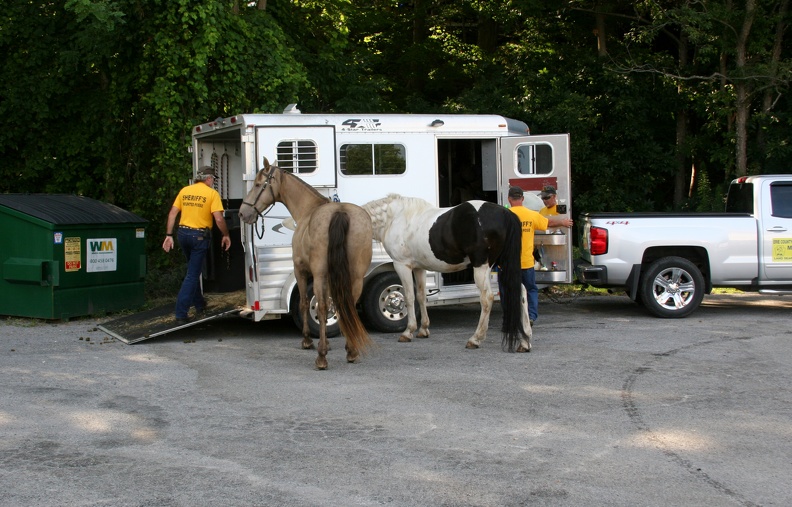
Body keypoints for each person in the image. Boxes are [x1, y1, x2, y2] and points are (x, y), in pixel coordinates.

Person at [162, 166, 231, 324]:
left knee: (193, 270)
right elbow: (219, 219)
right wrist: (226, 235)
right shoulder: (212, 194)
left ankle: (199, 304)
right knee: (193, 275)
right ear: (207, 179)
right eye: (213, 179)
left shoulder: (185, 191)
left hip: (182, 234)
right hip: (199, 237)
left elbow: (173, 213)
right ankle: (181, 313)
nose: (213, 182)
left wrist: (168, 235)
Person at [504, 185, 572, 326]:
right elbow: (548, 223)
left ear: (509, 199)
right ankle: (531, 317)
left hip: (507, 264)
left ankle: (510, 319)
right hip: (526, 262)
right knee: (531, 289)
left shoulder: (503, 216)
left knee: (508, 292)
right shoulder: (532, 215)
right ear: (522, 199)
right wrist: (563, 222)